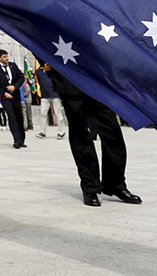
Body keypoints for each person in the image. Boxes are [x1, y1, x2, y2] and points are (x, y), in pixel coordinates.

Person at [39, 59, 141, 207]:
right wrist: (50, 69)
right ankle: (90, 187)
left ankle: (116, 184)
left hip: (95, 76)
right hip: (68, 78)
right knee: (80, 134)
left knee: (112, 131)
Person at [0, 50, 26, 148]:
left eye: (7, 57)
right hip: (5, 96)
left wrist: (15, 86)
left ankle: (22, 139)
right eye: (4, 57)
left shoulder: (13, 66)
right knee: (11, 116)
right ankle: (16, 140)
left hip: (15, 95)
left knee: (19, 116)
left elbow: (21, 78)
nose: (6, 59)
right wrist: (4, 93)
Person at [36, 64, 66, 139]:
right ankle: (43, 132)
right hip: (44, 95)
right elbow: (40, 82)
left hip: (55, 94)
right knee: (43, 113)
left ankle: (60, 132)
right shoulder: (39, 71)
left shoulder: (54, 69)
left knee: (58, 113)